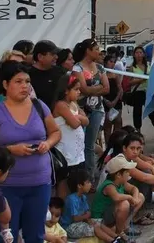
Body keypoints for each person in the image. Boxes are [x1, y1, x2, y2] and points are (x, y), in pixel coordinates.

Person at [0, 61, 62, 243]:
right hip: (7, 186)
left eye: (27, 81)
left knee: (36, 235)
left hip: (40, 183)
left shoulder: (39, 106)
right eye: (18, 81)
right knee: (7, 235)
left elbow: (56, 132)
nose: (24, 86)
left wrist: (48, 143)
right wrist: (11, 150)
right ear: (5, 84)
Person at [71, 38, 109, 178]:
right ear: (88, 51)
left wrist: (93, 89)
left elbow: (107, 89)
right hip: (82, 109)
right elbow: (84, 90)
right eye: (96, 49)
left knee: (90, 143)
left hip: (97, 108)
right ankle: (82, 174)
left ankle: (90, 175)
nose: (99, 52)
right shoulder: (77, 68)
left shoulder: (100, 67)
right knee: (80, 142)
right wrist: (98, 87)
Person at [91, 155, 145, 242]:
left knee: (140, 197)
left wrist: (135, 198)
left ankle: (124, 226)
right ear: (118, 175)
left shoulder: (121, 182)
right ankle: (120, 232)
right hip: (101, 219)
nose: (129, 173)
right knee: (124, 204)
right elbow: (117, 197)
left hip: (111, 213)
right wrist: (130, 197)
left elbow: (134, 189)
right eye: (127, 172)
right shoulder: (109, 185)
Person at [51, 74, 87, 198]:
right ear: (66, 90)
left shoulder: (73, 104)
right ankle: (62, 209)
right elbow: (75, 124)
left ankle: (73, 208)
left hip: (77, 151)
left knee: (75, 182)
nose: (79, 92)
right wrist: (78, 119)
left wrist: (78, 117)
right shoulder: (60, 105)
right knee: (64, 182)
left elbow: (86, 121)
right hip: (65, 152)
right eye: (76, 89)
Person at [60, 170, 102, 242]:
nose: (91, 184)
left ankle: (115, 237)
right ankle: (112, 240)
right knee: (95, 228)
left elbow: (87, 213)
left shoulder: (83, 197)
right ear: (79, 185)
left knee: (100, 223)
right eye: (88, 182)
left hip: (80, 223)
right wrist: (86, 216)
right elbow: (75, 218)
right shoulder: (71, 199)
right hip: (70, 227)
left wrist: (88, 220)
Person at [29, 41, 64, 111]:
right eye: (52, 54)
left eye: (56, 54)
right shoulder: (28, 75)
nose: (56, 57)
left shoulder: (60, 71)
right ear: (40, 57)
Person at [122, 47, 149, 131]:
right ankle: (138, 130)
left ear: (144, 54)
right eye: (137, 53)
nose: (139, 55)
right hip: (138, 92)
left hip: (148, 91)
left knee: (153, 112)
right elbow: (129, 82)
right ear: (134, 55)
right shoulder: (132, 67)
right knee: (137, 112)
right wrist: (141, 80)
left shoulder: (148, 65)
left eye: (141, 52)